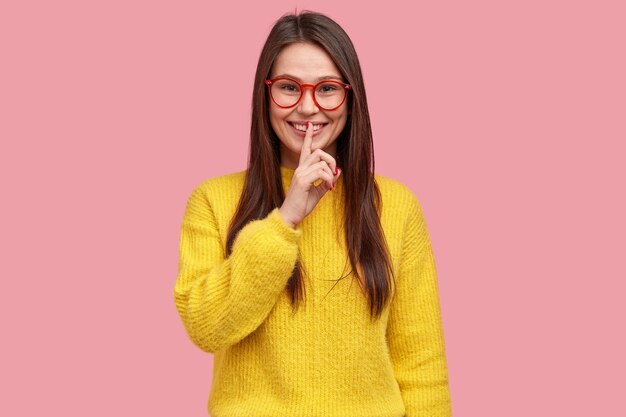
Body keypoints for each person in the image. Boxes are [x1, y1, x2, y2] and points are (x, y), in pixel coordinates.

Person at [173, 10, 452, 417]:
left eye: (327, 89)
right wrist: (284, 220)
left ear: (350, 97)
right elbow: (206, 326)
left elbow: (422, 365)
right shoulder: (213, 200)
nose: (308, 107)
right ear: (264, 95)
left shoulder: (395, 206)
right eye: (289, 87)